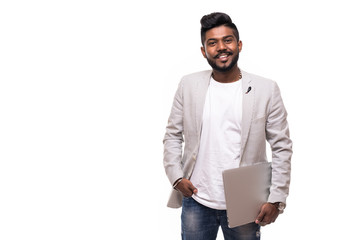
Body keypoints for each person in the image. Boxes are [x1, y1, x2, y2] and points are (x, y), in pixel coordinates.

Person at [163, 12, 292, 240]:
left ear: (239, 44)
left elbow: (281, 146)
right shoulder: (188, 85)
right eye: (212, 43)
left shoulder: (266, 89)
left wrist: (276, 199)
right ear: (204, 51)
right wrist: (176, 178)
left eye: (228, 40)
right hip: (196, 199)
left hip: (246, 203)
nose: (221, 47)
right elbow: (173, 135)